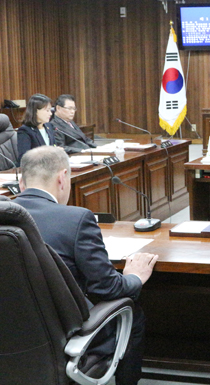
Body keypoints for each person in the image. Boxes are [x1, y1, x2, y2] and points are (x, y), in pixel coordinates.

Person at [13, 146, 158, 385]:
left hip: (12, 333)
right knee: (132, 312)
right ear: (62, 178)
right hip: (61, 335)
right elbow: (108, 289)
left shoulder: (6, 216)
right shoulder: (76, 218)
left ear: (21, 183)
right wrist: (134, 277)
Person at [16, 93, 55, 164]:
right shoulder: (25, 130)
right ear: (35, 111)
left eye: (50, 110)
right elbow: (24, 157)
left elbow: (53, 146)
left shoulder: (49, 126)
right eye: (47, 110)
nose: (50, 113)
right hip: (35, 167)